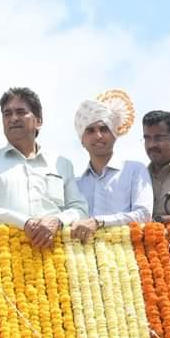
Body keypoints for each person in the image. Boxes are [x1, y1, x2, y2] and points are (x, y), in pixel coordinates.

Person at [0, 87, 88, 248]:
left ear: (38, 121)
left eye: (21, 112)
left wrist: (57, 221)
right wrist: (24, 223)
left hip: (59, 256)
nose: (13, 118)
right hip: (6, 256)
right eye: (7, 114)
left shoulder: (61, 164)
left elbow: (79, 208)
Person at [69, 92, 152, 242]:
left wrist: (99, 222)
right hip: (85, 259)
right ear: (82, 140)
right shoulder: (76, 184)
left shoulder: (134, 170)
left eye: (104, 129)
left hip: (128, 258)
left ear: (115, 134)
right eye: (90, 130)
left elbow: (144, 214)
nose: (98, 136)